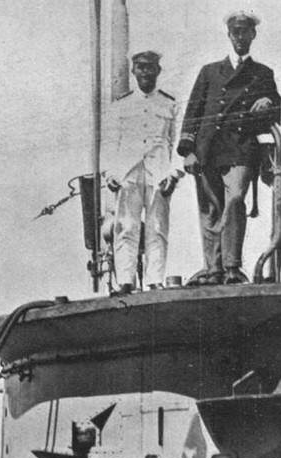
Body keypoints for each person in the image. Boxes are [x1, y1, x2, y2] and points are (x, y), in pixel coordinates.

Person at [178, 11, 281, 285]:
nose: (240, 37)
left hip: (241, 149)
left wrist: (268, 103)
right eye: (235, 32)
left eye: (245, 32)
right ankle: (214, 270)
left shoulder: (262, 73)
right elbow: (194, 111)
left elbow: (277, 106)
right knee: (211, 210)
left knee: (235, 199)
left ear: (253, 35)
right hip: (208, 148)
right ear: (229, 35)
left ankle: (232, 266)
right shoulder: (210, 71)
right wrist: (188, 149)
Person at [103, 51, 181, 293]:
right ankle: (126, 280)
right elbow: (110, 142)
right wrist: (111, 174)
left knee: (157, 228)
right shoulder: (121, 106)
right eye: (141, 67)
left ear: (158, 71)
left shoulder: (170, 104)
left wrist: (175, 174)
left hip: (159, 173)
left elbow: (177, 142)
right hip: (128, 173)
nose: (146, 72)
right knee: (126, 227)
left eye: (150, 67)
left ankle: (154, 279)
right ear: (133, 71)